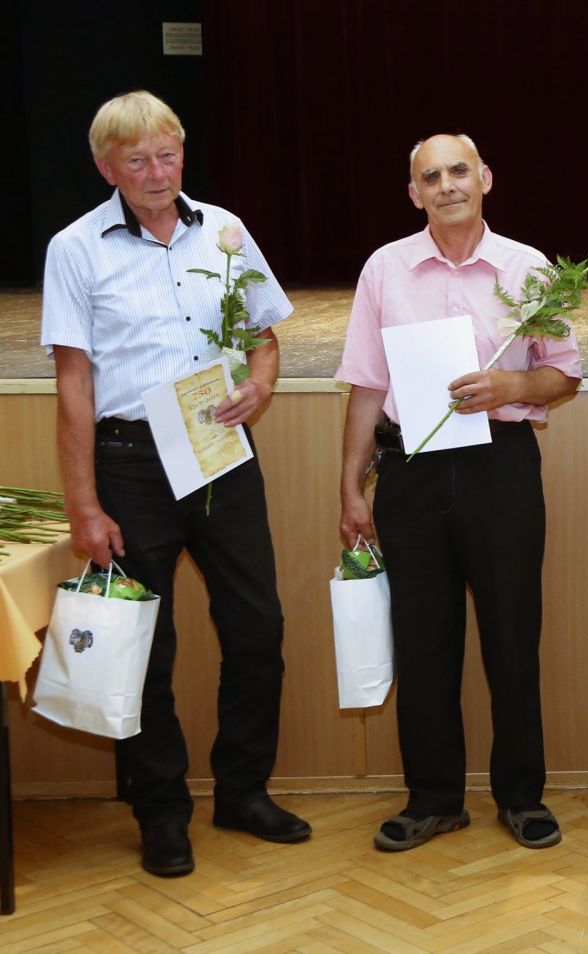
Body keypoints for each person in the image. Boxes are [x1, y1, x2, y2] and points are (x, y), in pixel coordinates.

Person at [40, 91, 309, 878]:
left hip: (220, 448)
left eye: (167, 155)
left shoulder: (225, 230)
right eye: (137, 161)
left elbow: (264, 339)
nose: (157, 174)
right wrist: (84, 504)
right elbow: (72, 386)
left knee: (257, 628)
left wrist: (260, 384)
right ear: (106, 169)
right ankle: (160, 812)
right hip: (129, 461)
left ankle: (243, 792)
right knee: (143, 647)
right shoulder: (75, 248)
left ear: (183, 153)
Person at [337, 134, 580, 851]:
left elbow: (563, 374)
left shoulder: (528, 268)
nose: (446, 185)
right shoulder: (384, 268)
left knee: (513, 639)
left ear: (485, 179)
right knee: (422, 645)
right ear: (414, 193)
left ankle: (522, 797)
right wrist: (350, 485)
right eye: (430, 176)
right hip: (409, 472)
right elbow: (366, 385)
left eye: (458, 171)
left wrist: (511, 385)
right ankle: (433, 799)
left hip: (500, 469)